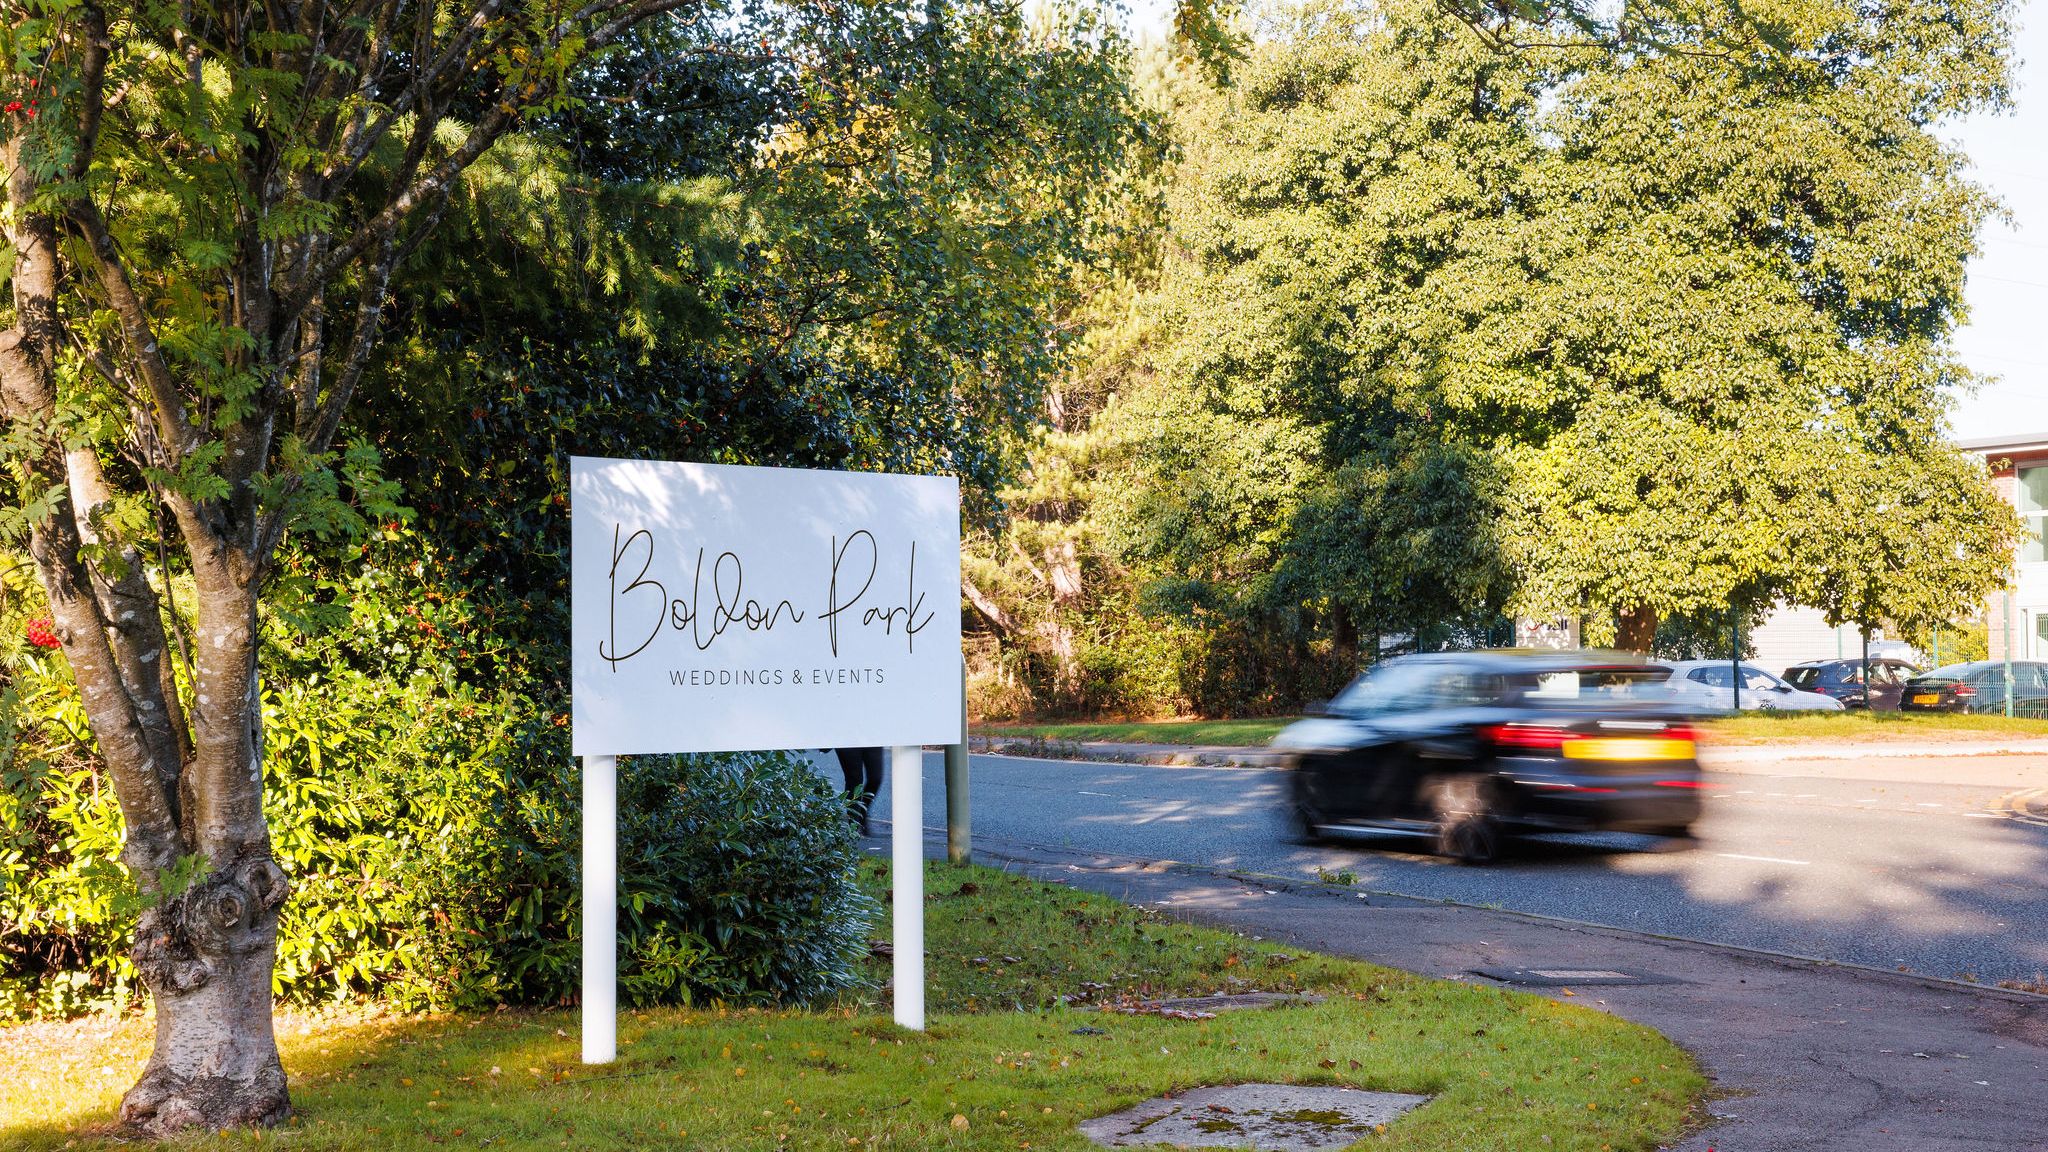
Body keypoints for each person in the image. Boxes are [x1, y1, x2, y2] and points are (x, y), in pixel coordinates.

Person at [832, 747, 885, 836]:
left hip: (873, 737)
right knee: (854, 779)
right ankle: (854, 826)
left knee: (875, 778)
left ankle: (862, 813)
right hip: (847, 738)